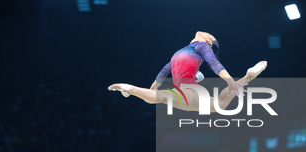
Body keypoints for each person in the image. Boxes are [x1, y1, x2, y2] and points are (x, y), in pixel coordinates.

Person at [108, 31, 267, 112]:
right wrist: (150, 92)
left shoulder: (200, 47)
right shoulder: (185, 52)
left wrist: (230, 81)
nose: (206, 31)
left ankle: (131, 89)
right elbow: (162, 74)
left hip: (187, 92)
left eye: (209, 35)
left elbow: (213, 62)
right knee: (222, 104)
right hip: (189, 93)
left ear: (209, 41)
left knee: (159, 97)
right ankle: (247, 77)